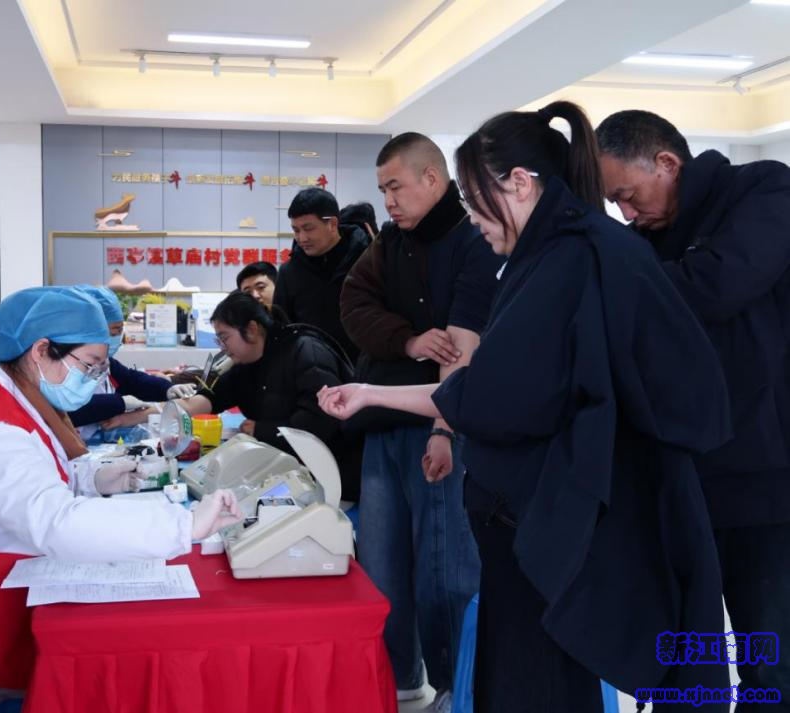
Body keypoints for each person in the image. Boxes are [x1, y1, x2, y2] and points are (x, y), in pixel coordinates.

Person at [321, 102, 732, 712]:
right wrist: (373, 394)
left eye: (473, 198)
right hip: (540, 527)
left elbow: (491, 394)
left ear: (519, 182)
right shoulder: (563, 251)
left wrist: (376, 396)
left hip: (544, 529)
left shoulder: (568, 259)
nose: (471, 217)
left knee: (538, 688)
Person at [0, 286, 241, 691]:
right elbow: (54, 522)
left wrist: (91, 478)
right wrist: (183, 525)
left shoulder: (4, 394)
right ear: (41, 351)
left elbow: (25, 480)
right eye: (89, 366)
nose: (94, 379)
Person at [596, 109, 790, 708]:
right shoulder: (642, 242)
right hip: (682, 477)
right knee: (685, 663)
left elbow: (716, 284)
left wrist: (630, 287)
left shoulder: (763, 189)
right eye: (614, 203)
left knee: (769, 657)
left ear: (666, 162)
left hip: (767, 480)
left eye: (628, 195)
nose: (625, 213)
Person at [339, 132, 502, 708]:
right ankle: (399, 682)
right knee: (382, 567)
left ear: (432, 178)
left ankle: (456, 687)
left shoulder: (473, 240)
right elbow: (354, 306)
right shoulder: (389, 243)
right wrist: (406, 340)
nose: (387, 201)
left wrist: (443, 430)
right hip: (383, 420)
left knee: (445, 570)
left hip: (442, 429)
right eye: (382, 189)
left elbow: (462, 348)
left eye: (395, 187)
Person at [176, 291, 359, 498]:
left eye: (225, 338)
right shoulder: (243, 363)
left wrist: (261, 430)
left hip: (330, 476)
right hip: (282, 469)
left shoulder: (306, 350)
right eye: (219, 340)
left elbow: (320, 419)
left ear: (252, 329)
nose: (223, 348)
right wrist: (170, 407)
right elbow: (213, 396)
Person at [68, 285, 194, 438]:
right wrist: (120, 402)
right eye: (115, 330)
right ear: (93, 328)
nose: (119, 336)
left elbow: (131, 380)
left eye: (121, 330)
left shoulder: (105, 363)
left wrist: (166, 389)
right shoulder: (66, 365)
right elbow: (70, 407)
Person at [275, 188, 371, 363]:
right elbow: (282, 330)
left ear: (332, 224)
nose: (302, 238)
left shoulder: (367, 261)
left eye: (308, 228)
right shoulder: (289, 273)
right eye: (296, 230)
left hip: (366, 367)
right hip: (313, 370)